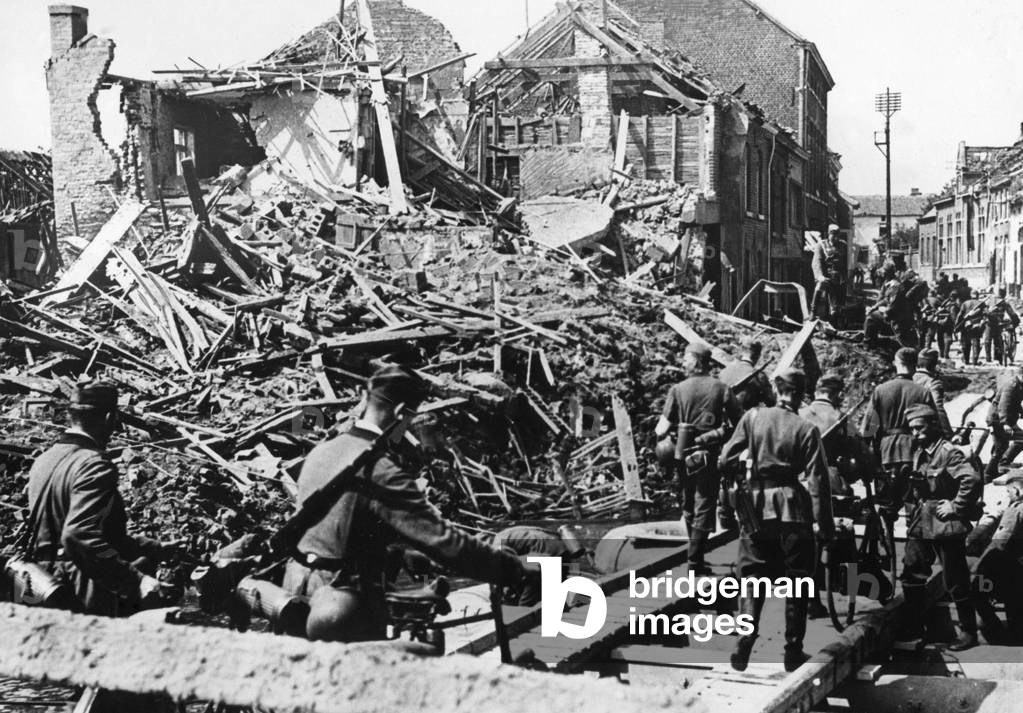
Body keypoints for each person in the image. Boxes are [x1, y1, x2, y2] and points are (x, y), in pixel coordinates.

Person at [282, 366, 529, 642]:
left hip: (293, 592)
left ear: (365, 398)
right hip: (340, 607)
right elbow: (445, 543)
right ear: (401, 413)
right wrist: (511, 569)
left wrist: (398, 556)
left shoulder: (321, 452)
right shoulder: (380, 470)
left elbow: (330, 534)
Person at [24, 382, 177, 616]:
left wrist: (155, 548)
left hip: (40, 583)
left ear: (70, 415)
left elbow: (88, 535)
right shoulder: (94, 465)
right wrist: (135, 579)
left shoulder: (44, 460)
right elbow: (79, 536)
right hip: (81, 588)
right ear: (109, 418)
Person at [720, 368, 834, 672]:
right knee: (797, 581)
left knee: (752, 576)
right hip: (792, 510)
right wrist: (825, 527)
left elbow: (725, 459)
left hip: (756, 510)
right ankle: (792, 652)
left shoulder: (753, 418)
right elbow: (818, 482)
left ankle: (745, 638)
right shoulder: (807, 429)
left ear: (776, 388)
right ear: (801, 395)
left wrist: (746, 470)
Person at [897, 404, 982, 650]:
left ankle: (968, 632)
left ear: (933, 426)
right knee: (912, 572)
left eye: (920, 429)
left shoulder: (948, 452)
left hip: (945, 523)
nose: (915, 434)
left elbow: (971, 479)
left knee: (955, 578)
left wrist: (957, 506)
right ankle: (915, 626)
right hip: (921, 519)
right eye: (912, 429)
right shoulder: (919, 451)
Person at [655, 342, 741, 574]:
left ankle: (694, 558)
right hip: (708, 457)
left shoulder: (677, 389)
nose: (682, 363)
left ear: (696, 362)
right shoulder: (721, 388)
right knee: (705, 503)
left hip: (682, 455)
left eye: (685, 359)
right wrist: (718, 433)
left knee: (688, 502)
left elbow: (660, 430)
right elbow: (738, 424)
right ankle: (695, 561)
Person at [859, 348, 941, 512]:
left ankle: (887, 535)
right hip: (915, 452)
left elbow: (867, 429)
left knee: (886, 505)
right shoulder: (923, 392)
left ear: (896, 363)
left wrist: (865, 456)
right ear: (915, 365)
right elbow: (934, 427)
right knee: (914, 504)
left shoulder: (880, 390)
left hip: (886, 453)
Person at [717, 339, 776, 529]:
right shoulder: (758, 376)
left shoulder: (725, 372)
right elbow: (771, 402)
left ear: (740, 351)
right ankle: (747, 516)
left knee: (726, 471)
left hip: (723, 429)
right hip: (745, 429)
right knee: (745, 474)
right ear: (757, 355)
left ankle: (725, 513)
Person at [972, 469, 1023, 642]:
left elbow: (1000, 543)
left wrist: (979, 566)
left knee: (975, 589)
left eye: (1008, 491)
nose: (1007, 495)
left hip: (1012, 566)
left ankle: (995, 630)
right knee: (1015, 602)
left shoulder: (1016, 510)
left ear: (1016, 491)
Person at [493, 525, 587, 606]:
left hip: (546, 556)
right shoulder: (507, 533)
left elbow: (511, 567)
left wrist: (501, 589)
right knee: (557, 590)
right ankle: (585, 600)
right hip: (562, 549)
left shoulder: (497, 546)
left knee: (527, 602)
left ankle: (525, 620)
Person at [985, 366, 1023, 482]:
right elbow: (1003, 405)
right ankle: (989, 474)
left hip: (1004, 419)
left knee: (1003, 446)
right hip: (998, 420)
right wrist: (1005, 423)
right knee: (1001, 447)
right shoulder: (1011, 386)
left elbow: (1015, 402)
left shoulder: (1019, 385)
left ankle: (998, 467)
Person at [913, 348, 953, 438]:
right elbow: (938, 408)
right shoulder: (933, 383)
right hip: (924, 431)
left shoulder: (909, 379)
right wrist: (948, 434)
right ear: (934, 365)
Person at [811, 225, 844, 322]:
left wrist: (846, 276)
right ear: (828, 234)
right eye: (833, 235)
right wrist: (820, 276)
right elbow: (816, 262)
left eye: (837, 235)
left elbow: (845, 262)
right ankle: (813, 311)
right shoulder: (821, 245)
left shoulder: (843, 245)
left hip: (838, 279)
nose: (836, 238)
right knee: (820, 285)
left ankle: (834, 319)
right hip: (825, 277)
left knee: (836, 308)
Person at [983, 286, 1020, 364]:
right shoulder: (1003, 302)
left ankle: (989, 359)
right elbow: (1012, 314)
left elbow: (983, 311)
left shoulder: (989, 301)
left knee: (988, 341)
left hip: (991, 323)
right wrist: (1016, 322)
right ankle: (997, 359)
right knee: (996, 341)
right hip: (995, 323)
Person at [955, 290, 986, 366]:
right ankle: (975, 361)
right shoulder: (981, 303)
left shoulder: (965, 303)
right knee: (976, 342)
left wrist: (957, 326)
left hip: (966, 325)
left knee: (966, 343)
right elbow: (985, 314)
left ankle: (966, 360)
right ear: (977, 295)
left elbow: (960, 315)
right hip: (977, 325)